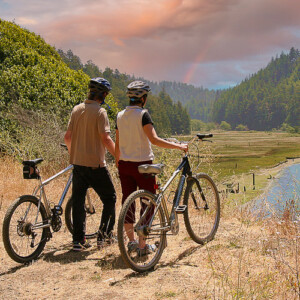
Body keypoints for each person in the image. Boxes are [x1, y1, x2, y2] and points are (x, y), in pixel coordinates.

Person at [115, 80, 188, 255]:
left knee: (128, 202)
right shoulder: (143, 115)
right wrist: (179, 147)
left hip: (124, 165)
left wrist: (119, 162)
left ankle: (131, 242)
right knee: (148, 203)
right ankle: (142, 246)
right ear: (144, 99)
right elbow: (154, 140)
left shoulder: (119, 115)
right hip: (143, 166)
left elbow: (117, 144)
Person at [64, 77, 116, 251]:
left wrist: (73, 153)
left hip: (77, 164)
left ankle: (78, 241)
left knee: (78, 202)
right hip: (95, 165)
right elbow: (106, 139)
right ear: (103, 94)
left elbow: (67, 138)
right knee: (110, 198)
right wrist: (119, 156)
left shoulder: (76, 109)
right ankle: (104, 237)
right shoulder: (100, 112)